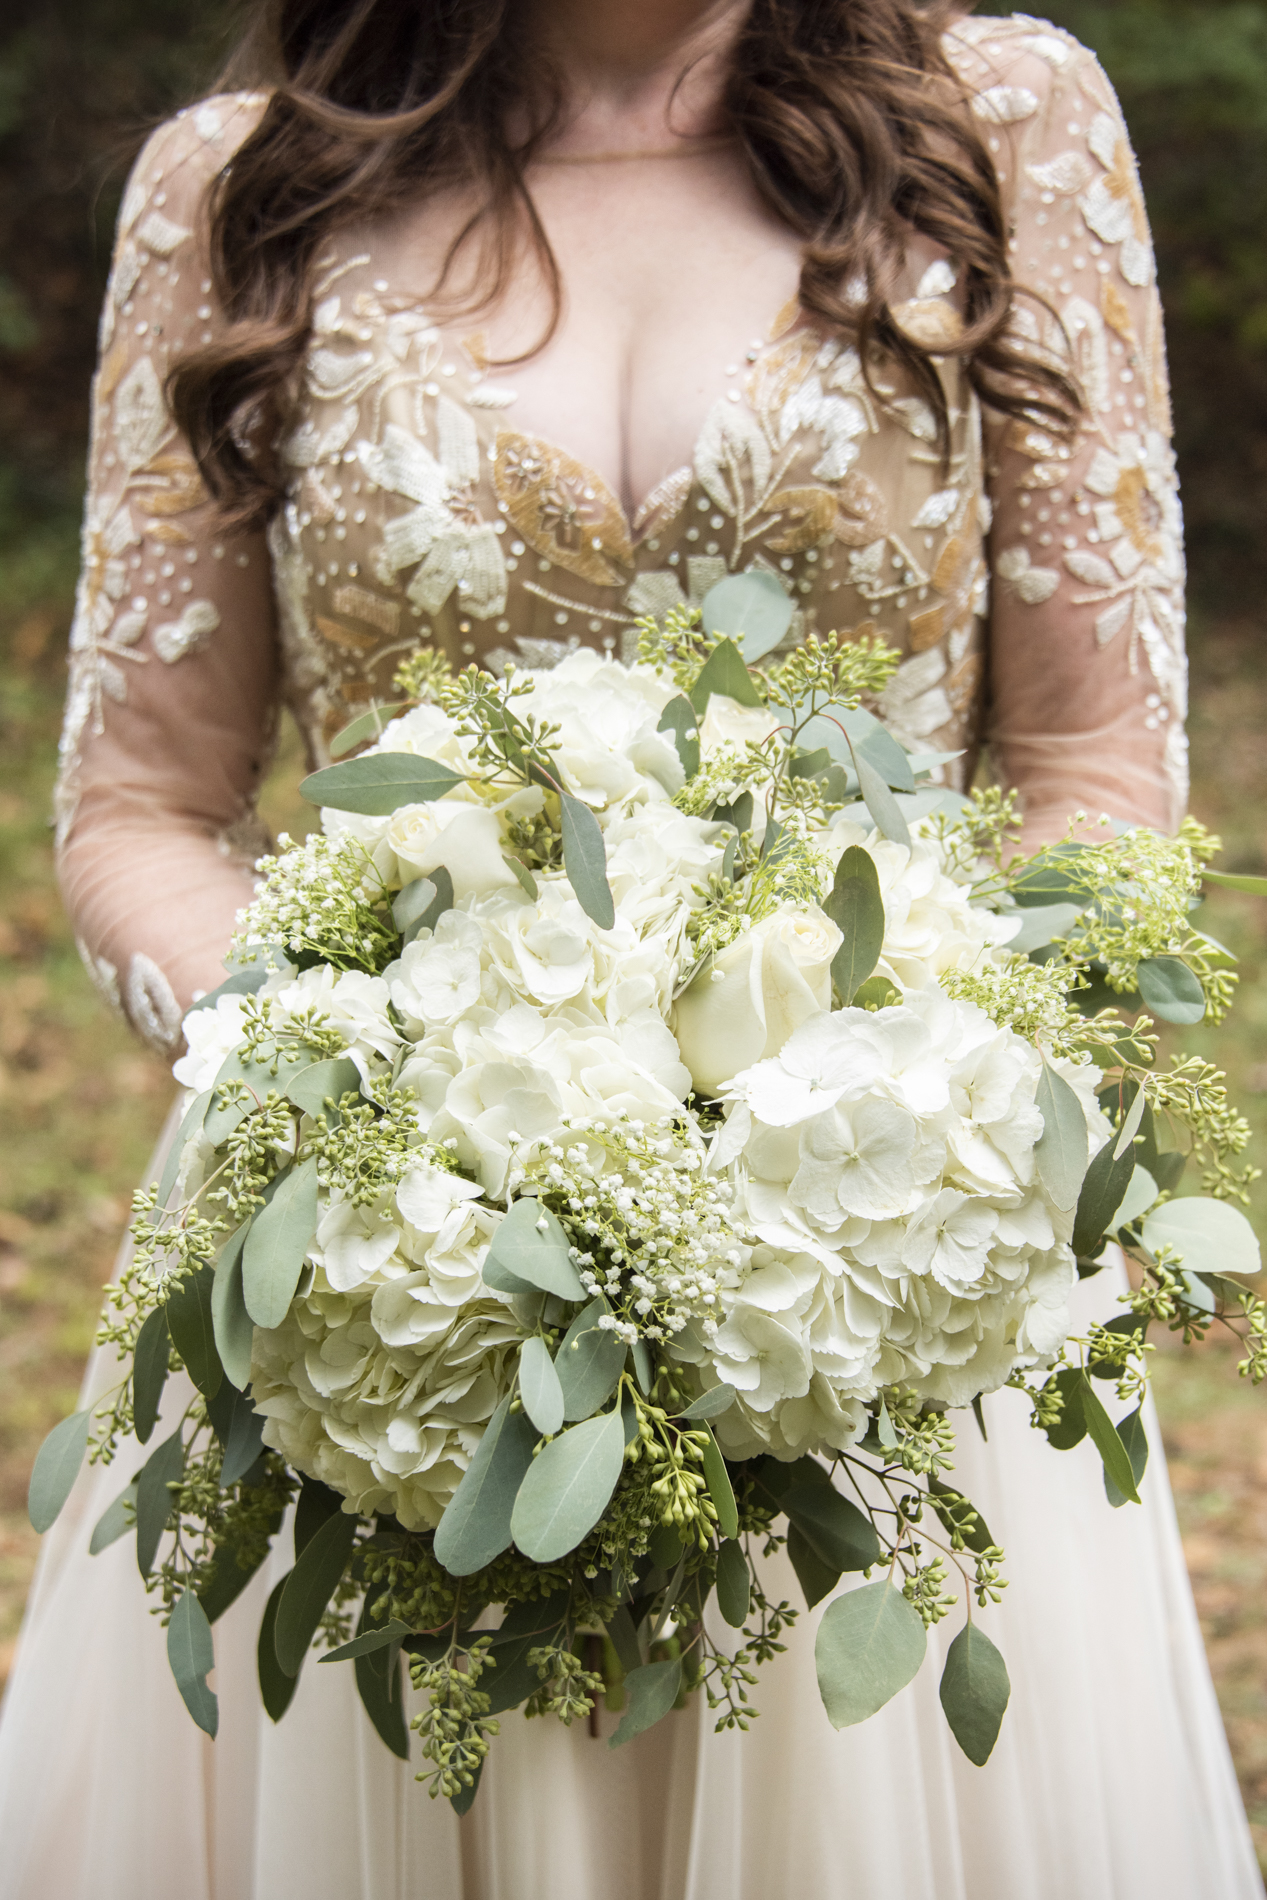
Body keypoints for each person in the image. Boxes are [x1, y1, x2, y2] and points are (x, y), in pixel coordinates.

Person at [0, 1, 1260, 1895]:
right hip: (379, 1272)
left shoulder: (1005, 123)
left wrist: (895, 1124)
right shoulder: (236, 186)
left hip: (880, 1260)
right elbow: (140, 808)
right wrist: (354, 1097)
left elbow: (1094, 766)